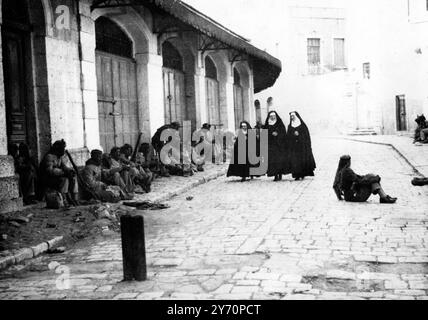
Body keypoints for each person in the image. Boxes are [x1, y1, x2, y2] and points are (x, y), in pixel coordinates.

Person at [333, 155, 397, 204]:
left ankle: (384, 197)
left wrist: (340, 198)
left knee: (371, 176)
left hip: (350, 196)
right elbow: (360, 181)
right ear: (348, 162)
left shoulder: (341, 171)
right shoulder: (347, 171)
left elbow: (335, 186)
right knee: (373, 181)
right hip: (355, 197)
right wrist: (374, 179)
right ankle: (384, 197)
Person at [39, 139, 79, 206]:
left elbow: (63, 166)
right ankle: (64, 198)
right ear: (57, 149)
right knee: (64, 179)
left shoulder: (58, 157)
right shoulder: (49, 157)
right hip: (47, 179)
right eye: (62, 148)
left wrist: (70, 171)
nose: (63, 150)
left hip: (56, 176)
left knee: (73, 177)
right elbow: (50, 171)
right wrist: (63, 173)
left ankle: (74, 198)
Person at [286, 111, 316, 180]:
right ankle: (296, 175)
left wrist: (299, 135)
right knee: (295, 161)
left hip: (302, 146)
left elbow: (306, 136)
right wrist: (293, 136)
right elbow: (288, 136)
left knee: (301, 160)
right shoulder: (290, 126)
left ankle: (302, 174)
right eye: (291, 116)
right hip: (294, 147)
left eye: (293, 116)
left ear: (296, 116)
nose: (292, 117)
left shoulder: (302, 125)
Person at [263, 111, 289, 181]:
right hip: (271, 145)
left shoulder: (279, 123)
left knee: (279, 160)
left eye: (273, 115)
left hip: (279, 145)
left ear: (276, 116)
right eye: (271, 116)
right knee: (272, 160)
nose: (272, 117)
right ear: (269, 116)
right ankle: (275, 175)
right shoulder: (267, 124)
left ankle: (279, 174)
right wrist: (271, 134)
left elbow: (283, 132)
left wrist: (278, 134)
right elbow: (264, 133)